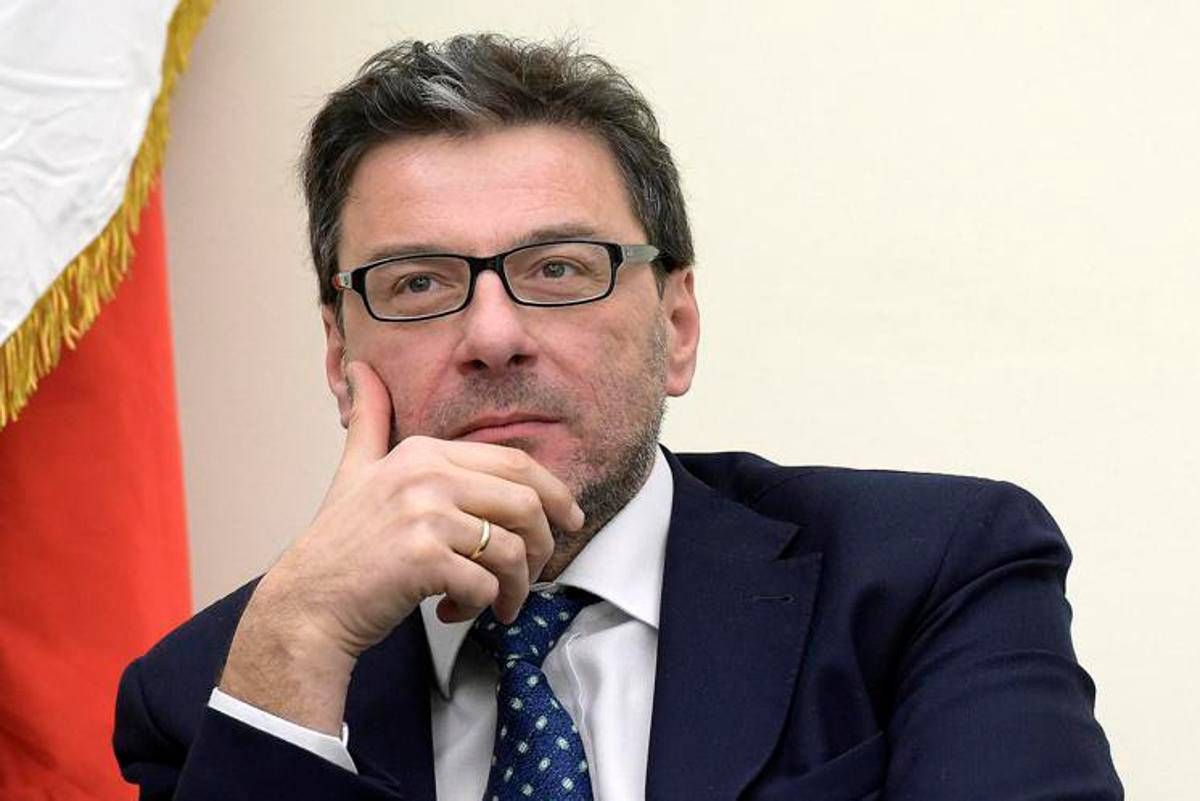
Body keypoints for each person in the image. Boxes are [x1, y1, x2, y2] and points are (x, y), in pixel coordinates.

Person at [113, 34, 1123, 800]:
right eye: (419, 283)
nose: (494, 334)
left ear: (677, 326)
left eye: (559, 268)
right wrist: (300, 640)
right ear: (340, 360)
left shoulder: (931, 576)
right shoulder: (218, 686)